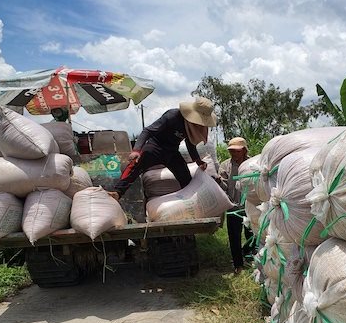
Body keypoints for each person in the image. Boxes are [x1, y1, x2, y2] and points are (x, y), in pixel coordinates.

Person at [108, 97, 217, 200]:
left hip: (172, 152)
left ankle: (190, 200)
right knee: (136, 166)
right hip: (155, 146)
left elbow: (190, 143)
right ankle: (117, 193)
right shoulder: (173, 116)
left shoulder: (192, 126)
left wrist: (198, 161)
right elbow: (148, 131)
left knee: (185, 177)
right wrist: (136, 150)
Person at [218, 137, 255, 274]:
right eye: (231, 151)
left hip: (250, 207)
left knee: (252, 235)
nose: (233, 154)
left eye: (236, 151)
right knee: (234, 237)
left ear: (244, 150)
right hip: (233, 208)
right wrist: (218, 181)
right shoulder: (225, 166)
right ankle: (238, 265)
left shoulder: (252, 164)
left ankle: (250, 258)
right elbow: (224, 186)